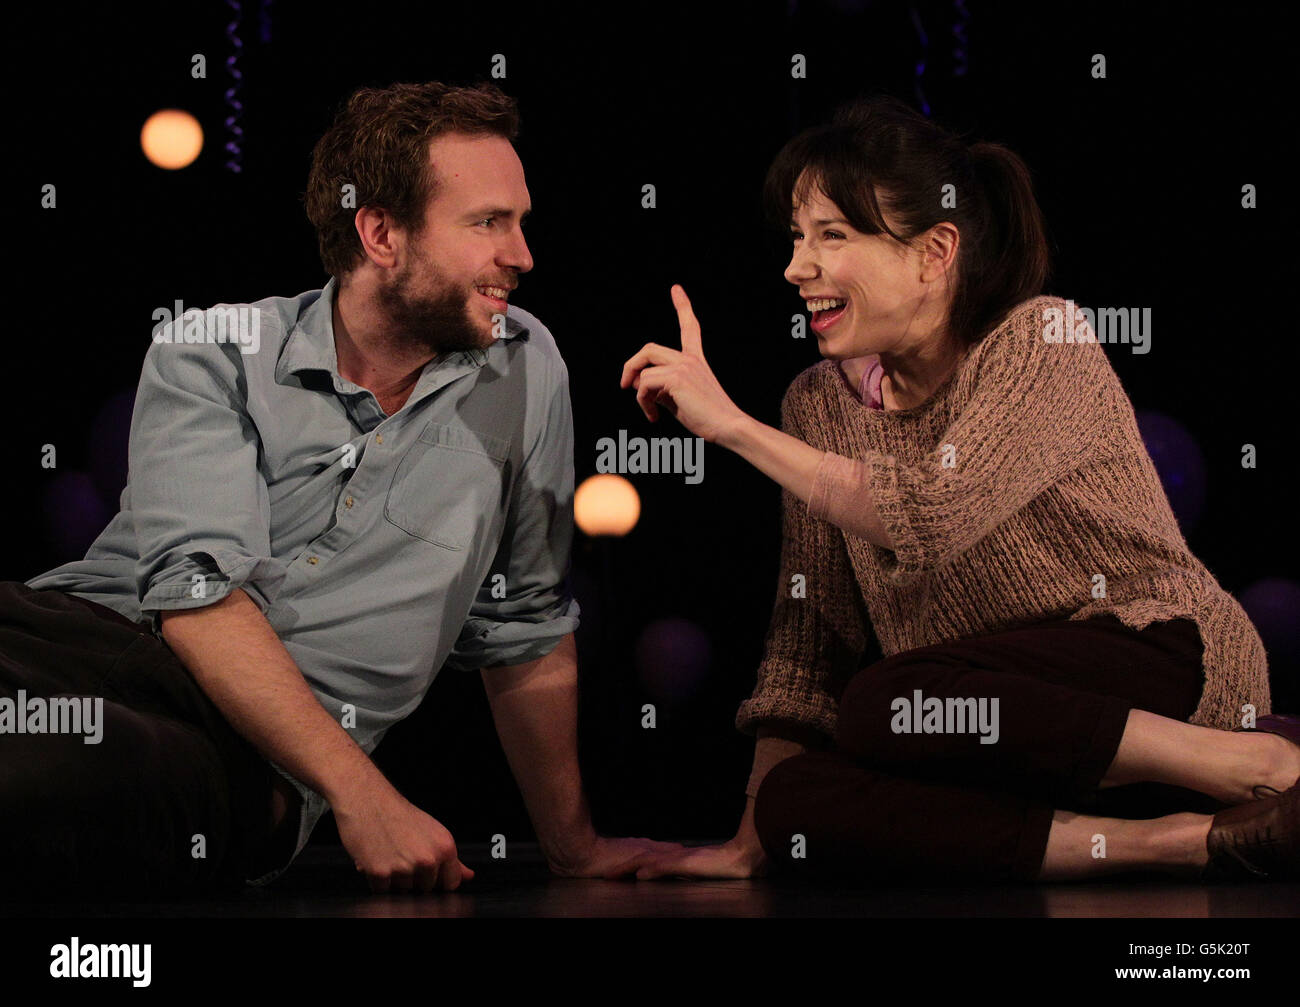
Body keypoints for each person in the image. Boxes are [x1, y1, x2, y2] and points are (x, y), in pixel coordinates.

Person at [0, 81, 683, 897]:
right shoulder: (212, 350)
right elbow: (196, 598)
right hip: (73, 638)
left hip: (233, 752)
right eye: (488, 223)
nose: (523, 254)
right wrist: (372, 801)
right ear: (380, 232)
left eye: (521, 221)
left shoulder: (524, 367)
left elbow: (523, 628)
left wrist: (574, 848)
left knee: (57, 766)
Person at [614, 95, 1298, 884]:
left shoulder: (1043, 340)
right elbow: (812, 637)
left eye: (832, 235)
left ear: (935, 252)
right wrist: (749, 840)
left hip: (1160, 664)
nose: (796, 267)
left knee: (884, 704)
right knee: (796, 798)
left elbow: (931, 513)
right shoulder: (816, 402)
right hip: (997, 728)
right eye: (798, 238)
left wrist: (728, 425)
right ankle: (1193, 839)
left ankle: (1254, 759)